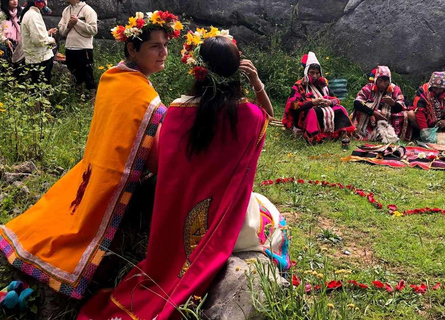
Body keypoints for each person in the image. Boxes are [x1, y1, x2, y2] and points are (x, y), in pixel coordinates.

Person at [77, 27, 275, 320]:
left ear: (198, 70)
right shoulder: (249, 116)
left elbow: (161, 165)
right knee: (271, 216)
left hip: (175, 225)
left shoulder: (176, 113)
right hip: (230, 224)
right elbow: (268, 115)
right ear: (236, 72)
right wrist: (256, 84)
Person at [0, 10, 182, 310]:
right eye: (154, 46)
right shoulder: (135, 91)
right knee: (72, 232)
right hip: (108, 177)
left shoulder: (116, 76)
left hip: (94, 171)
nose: (163, 52)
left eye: (166, 45)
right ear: (132, 48)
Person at [283, 52, 355, 144]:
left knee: (340, 108)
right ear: (306, 72)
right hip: (303, 114)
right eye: (312, 72)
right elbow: (294, 106)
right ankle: (314, 137)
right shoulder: (298, 86)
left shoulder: (323, 85)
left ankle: (343, 133)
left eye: (317, 73)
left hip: (323, 108)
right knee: (313, 111)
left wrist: (329, 102)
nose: (314, 76)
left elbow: (336, 99)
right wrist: (312, 102)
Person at [352, 65, 409, 142]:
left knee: (404, 115)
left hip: (388, 117)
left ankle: (391, 134)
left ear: (389, 81)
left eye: (385, 81)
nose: (382, 84)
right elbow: (357, 102)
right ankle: (366, 133)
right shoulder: (369, 88)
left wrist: (393, 103)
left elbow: (401, 106)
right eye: (380, 80)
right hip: (371, 114)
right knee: (360, 111)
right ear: (376, 80)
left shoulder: (395, 89)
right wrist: (373, 112)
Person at [58, 0, 98, 101]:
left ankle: (93, 100)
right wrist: (69, 25)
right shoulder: (66, 10)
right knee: (75, 75)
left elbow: (94, 30)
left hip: (84, 48)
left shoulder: (88, 10)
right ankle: (79, 99)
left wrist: (78, 22)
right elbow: (61, 30)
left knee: (88, 74)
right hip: (70, 47)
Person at [409, 71, 445, 139]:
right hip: (428, 124)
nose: (437, 91)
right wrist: (425, 130)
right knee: (411, 114)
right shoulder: (423, 90)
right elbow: (419, 111)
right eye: (435, 88)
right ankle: (427, 134)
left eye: (440, 89)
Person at [19, 0, 57, 84]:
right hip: (39, 58)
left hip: (38, 57)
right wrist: (51, 40)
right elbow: (39, 40)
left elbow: (35, 35)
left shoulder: (32, 13)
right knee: (41, 88)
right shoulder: (33, 15)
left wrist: (47, 33)